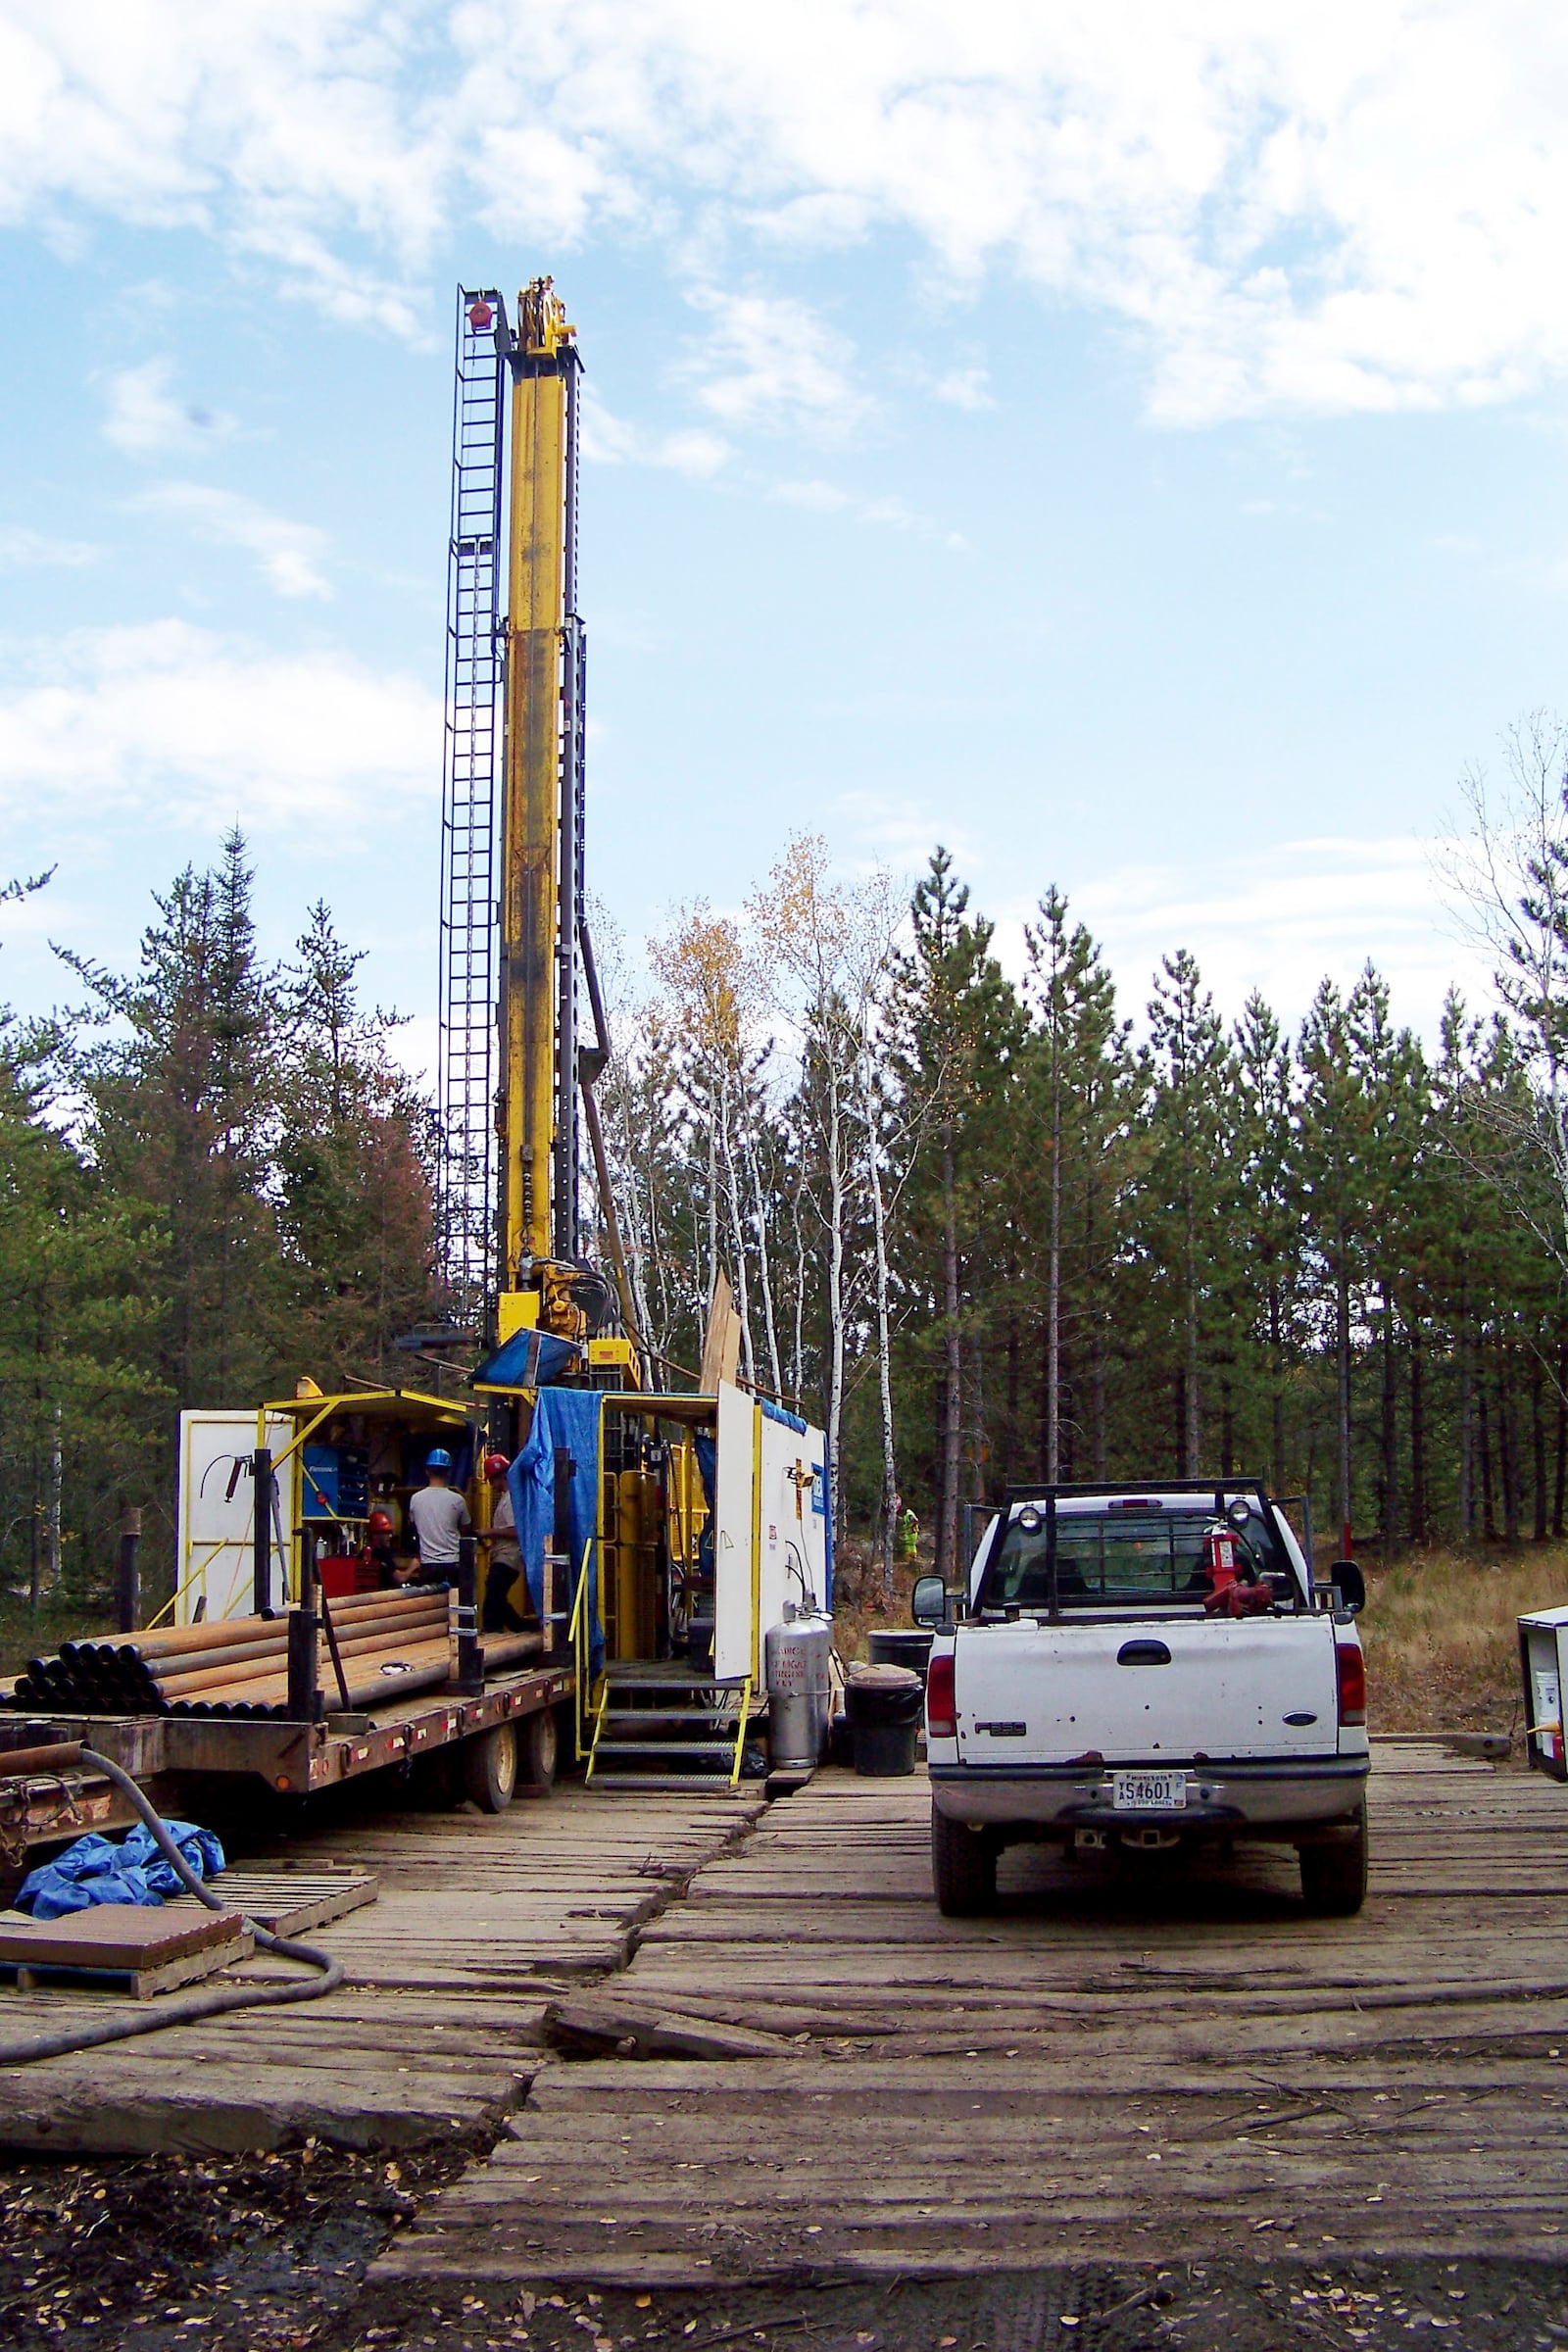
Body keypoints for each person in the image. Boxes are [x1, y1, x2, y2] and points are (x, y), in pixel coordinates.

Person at [403, 1449, 471, 1586]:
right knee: (455, 1603)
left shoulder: (415, 1499)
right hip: (453, 1564)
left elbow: (413, 1526)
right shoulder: (457, 1500)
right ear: (448, 1472)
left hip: (428, 1564)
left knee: (430, 1604)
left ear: (427, 1471)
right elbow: (465, 1529)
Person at [481, 1451, 528, 1632]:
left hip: (508, 1557)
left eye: (491, 1480)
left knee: (494, 1595)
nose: (491, 1485)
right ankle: (503, 1627)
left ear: (499, 1476)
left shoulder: (510, 1500)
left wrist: (488, 1532)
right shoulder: (508, 1498)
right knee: (495, 1595)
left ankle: (509, 1627)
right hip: (506, 1556)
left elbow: (516, 1531)